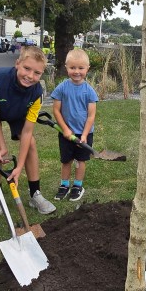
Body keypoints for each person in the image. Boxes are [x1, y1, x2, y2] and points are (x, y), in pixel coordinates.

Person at [0, 46, 57, 216]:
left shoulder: (37, 93)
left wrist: (19, 167)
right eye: (27, 68)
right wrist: (3, 145)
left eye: (37, 73)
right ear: (17, 64)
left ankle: (35, 194)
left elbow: (27, 132)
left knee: (31, 143)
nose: (30, 76)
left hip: (19, 107)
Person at [50, 48, 99, 201]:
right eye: (72, 68)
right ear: (66, 68)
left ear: (87, 69)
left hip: (84, 134)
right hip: (66, 133)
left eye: (80, 68)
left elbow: (91, 116)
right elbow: (56, 111)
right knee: (66, 160)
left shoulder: (89, 92)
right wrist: (65, 129)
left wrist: (84, 135)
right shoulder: (62, 88)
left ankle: (77, 185)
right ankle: (64, 184)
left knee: (80, 160)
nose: (76, 71)